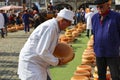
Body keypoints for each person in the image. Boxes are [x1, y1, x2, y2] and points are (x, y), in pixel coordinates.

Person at [18, 8, 74, 80]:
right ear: (62, 21)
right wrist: (57, 61)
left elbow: (49, 45)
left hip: (39, 63)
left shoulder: (55, 27)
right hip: (32, 63)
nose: (68, 26)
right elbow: (42, 51)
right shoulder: (51, 27)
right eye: (68, 23)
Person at [92, 0, 120, 80]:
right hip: (99, 53)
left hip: (112, 53)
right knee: (101, 76)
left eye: (101, 6)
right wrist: (95, 47)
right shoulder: (94, 18)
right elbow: (94, 34)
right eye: (97, 7)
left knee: (115, 76)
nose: (99, 9)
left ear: (108, 5)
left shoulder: (117, 17)